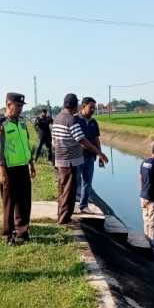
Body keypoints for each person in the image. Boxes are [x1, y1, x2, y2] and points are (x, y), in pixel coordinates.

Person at [52, 93, 108, 224]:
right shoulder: (73, 120)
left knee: (66, 187)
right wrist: (100, 153)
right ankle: (64, 218)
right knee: (70, 189)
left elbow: (54, 140)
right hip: (71, 159)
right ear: (78, 106)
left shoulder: (58, 118)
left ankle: (67, 212)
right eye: (91, 107)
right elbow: (83, 141)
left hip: (65, 158)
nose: (93, 109)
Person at [0, 92, 36, 245]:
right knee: (10, 203)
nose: (19, 109)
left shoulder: (23, 123)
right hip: (9, 170)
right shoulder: (1, 125)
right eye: (16, 106)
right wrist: (2, 172)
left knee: (24, 202)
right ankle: (9, 235)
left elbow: (26, 145)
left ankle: (22, 231)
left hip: (23, 167)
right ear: (8, 105)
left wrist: (31, 164)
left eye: (21, 106)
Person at [77, 97, 104, 214]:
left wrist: (100, 155)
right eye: (91, 107)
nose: (93, 109)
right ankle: (70, 205)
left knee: (87, 183)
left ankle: (83, 205)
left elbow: (96, 139)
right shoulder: (76, 120)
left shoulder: (93, 122)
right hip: (77, 157)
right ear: (83, 106)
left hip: (90, 157)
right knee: (75, 182)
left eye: (94, 107)